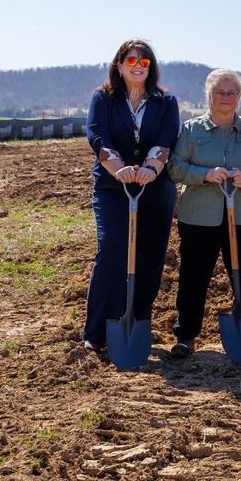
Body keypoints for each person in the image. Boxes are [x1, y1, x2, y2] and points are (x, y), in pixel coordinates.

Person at [167, 69, 241, 357]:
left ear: (239, 97)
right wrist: (205, 174)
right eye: (219, 92)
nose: (225, 97)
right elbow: (175, 167)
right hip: (200, 216)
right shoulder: (191, 131)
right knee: (194, 276)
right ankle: (186, 335)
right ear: (209, 96)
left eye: (231, 93)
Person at [84, 40, 179, 352]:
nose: (138, 66)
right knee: (112, 250)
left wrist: (151, 168)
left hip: (154, 189)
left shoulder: (165, 102)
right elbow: (98, 135)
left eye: (144, 62)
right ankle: (98, 332)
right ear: (119, 66)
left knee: (150, 257)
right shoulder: (104, 98)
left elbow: (166, 138)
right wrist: (118, 168)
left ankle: (135, 324)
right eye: (131, 61)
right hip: (115, 188)